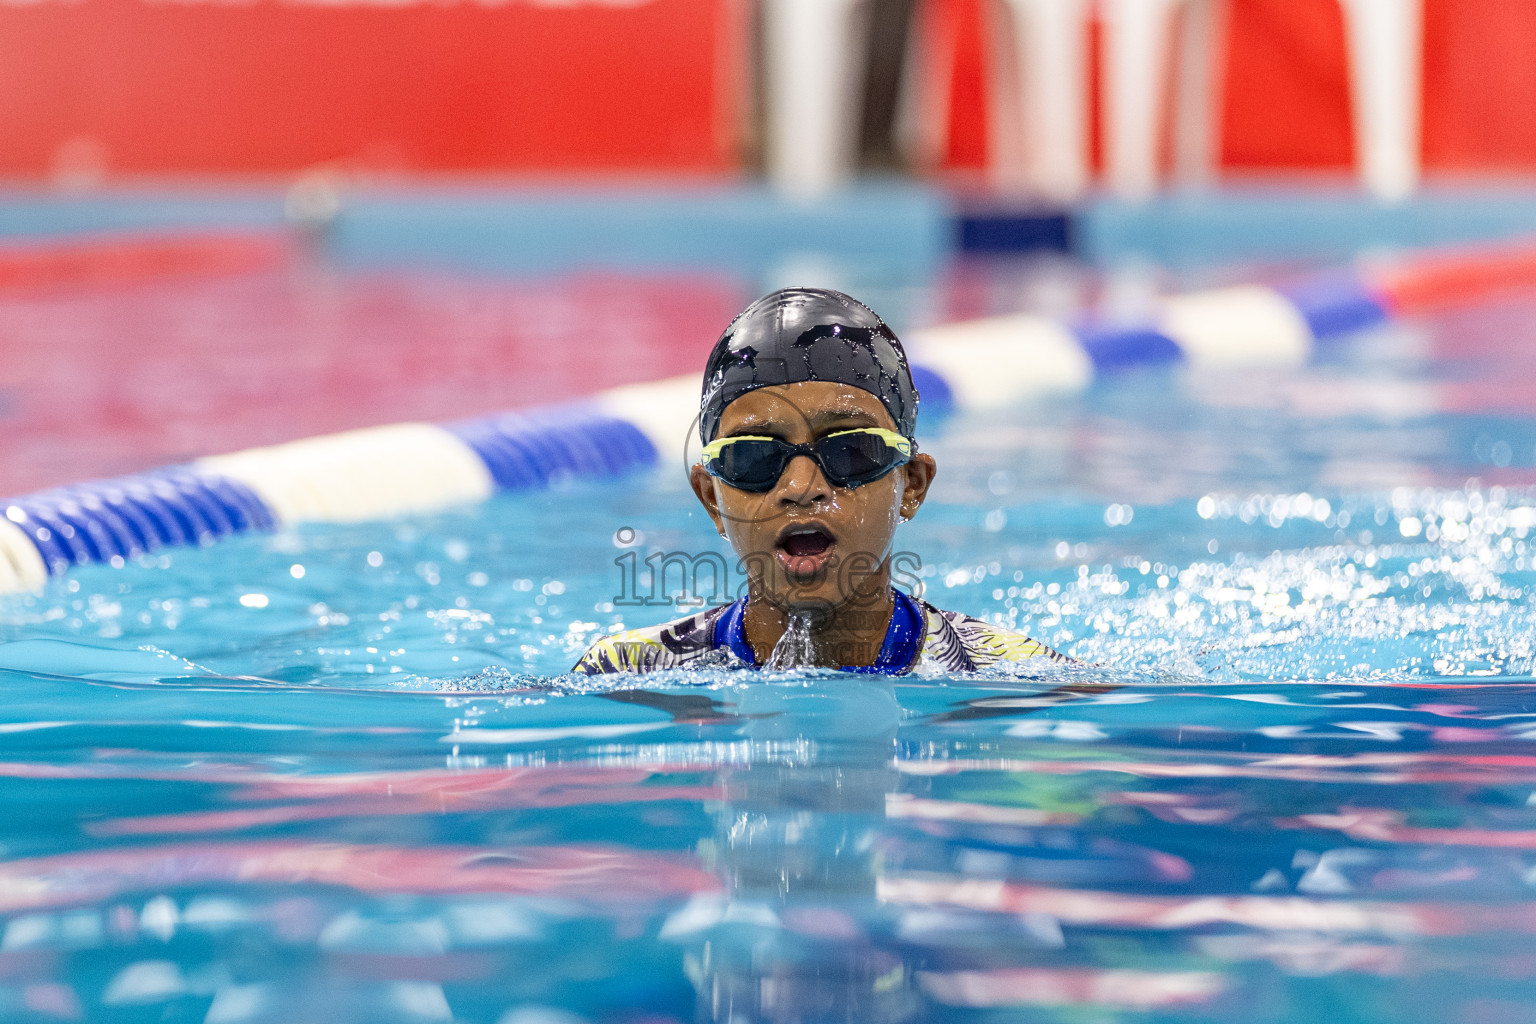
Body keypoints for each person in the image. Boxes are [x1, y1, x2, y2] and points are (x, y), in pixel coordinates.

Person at [574, 287, 1069, 675]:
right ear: (711, 498)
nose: (801, 486)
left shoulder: (1013, 676)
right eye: (753, 457)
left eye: (849, 451)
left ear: (912, 484)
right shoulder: (624, 673)